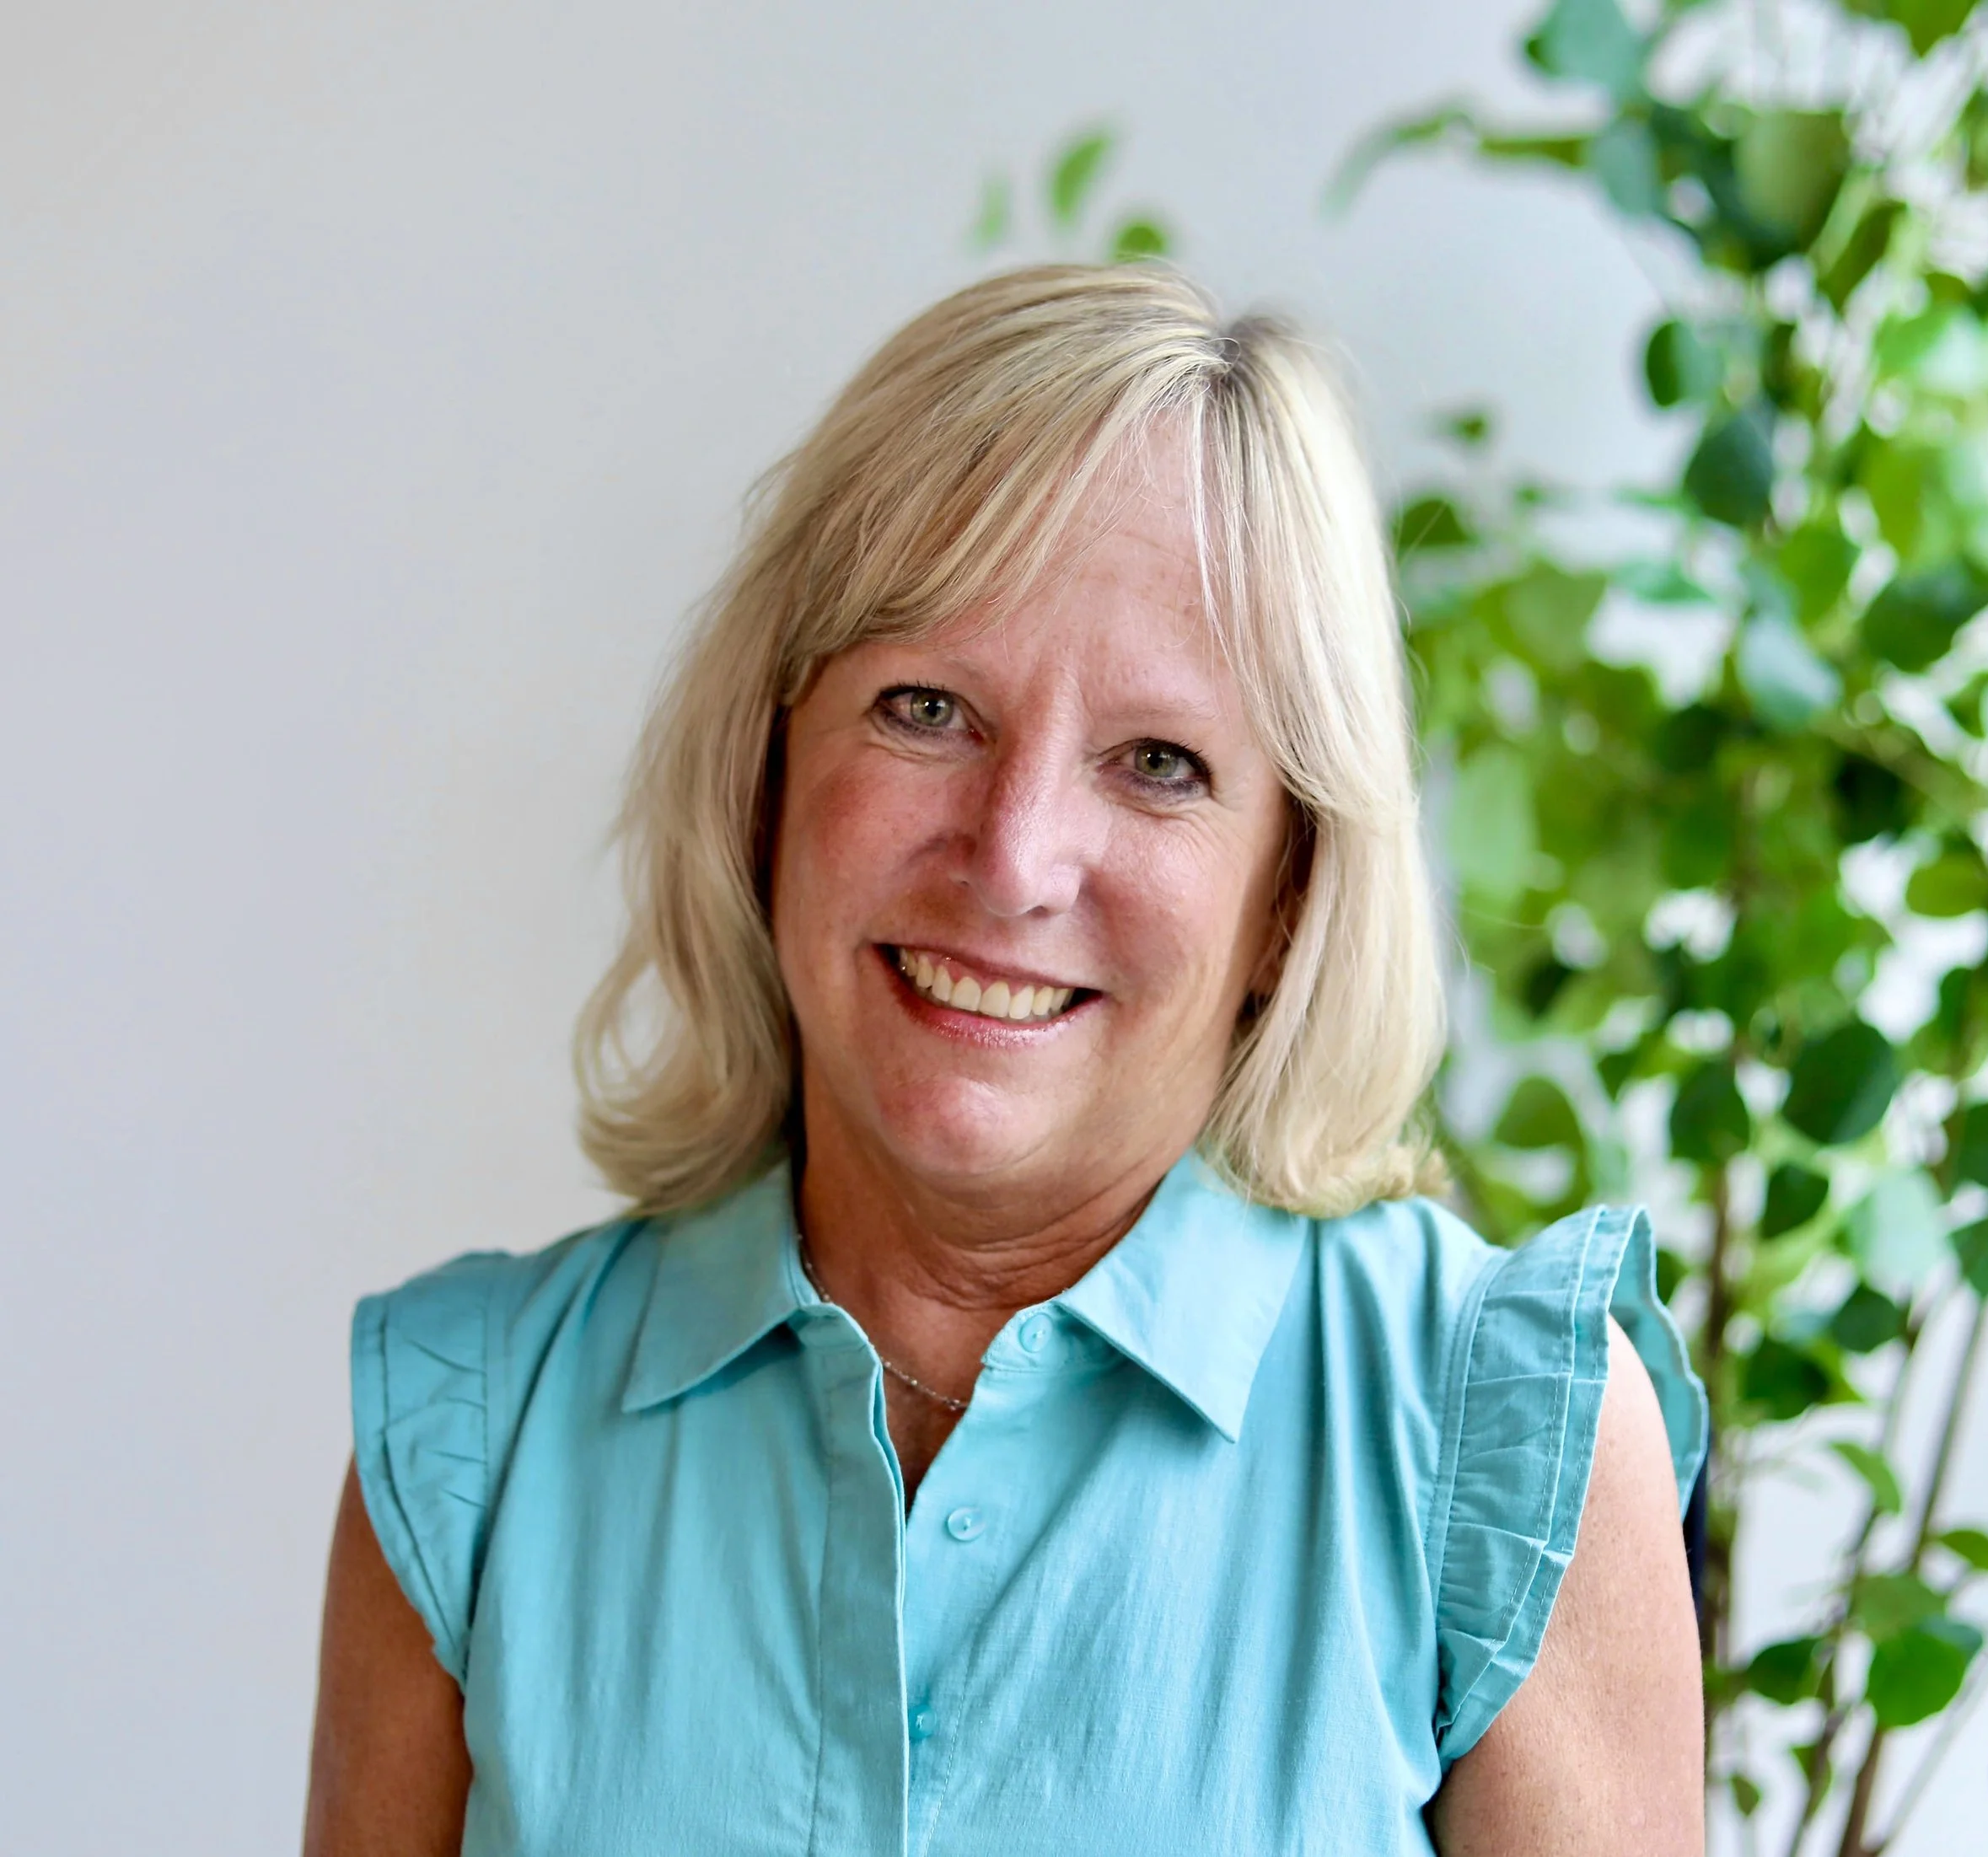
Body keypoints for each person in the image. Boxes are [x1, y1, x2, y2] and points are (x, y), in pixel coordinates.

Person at [304, 264, 1708, 1856]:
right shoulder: (466, 1437)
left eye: (1160, 763)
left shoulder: (1506, 1449)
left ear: (1286, 894)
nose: (1016, 855)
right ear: (770, 768)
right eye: (927, 708)